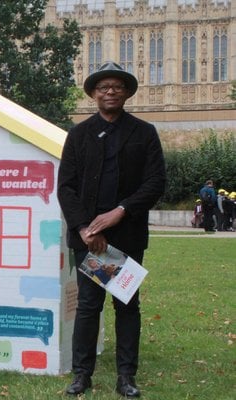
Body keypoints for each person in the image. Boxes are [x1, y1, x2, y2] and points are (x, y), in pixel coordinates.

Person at [57, 61, 166, 398]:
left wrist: (121, 211)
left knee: (127, 305)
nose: (110, 91)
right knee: (89, 306)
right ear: (93, 93)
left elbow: (156, 182)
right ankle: (81, 376)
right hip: (90, 239)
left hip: (126, 233)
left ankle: (126, 377)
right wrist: (84, 227)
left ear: (127, 92)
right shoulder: (78, 134)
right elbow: (66, 187)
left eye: (117, 86)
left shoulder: (144, 133)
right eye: (103, 87)